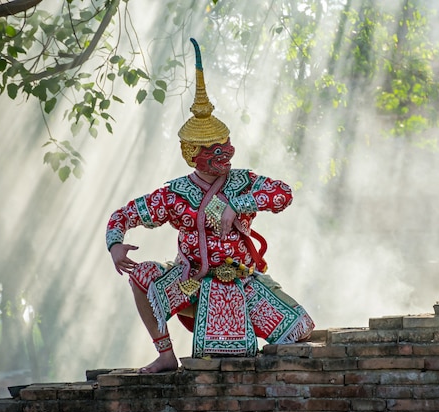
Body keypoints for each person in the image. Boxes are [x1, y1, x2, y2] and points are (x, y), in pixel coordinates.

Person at [106, 38, 314, 373]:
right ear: (192, 154)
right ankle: (165, 354)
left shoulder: (243, 180)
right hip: (193, 283)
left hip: (244, 281)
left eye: (225, 144)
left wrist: (240, 203)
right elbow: (123, 215)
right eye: (213, 149)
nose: (224, 153)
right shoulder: (174, 195)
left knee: (300, 331)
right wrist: (115, 245)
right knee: (142, 276)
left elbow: (283, 193)